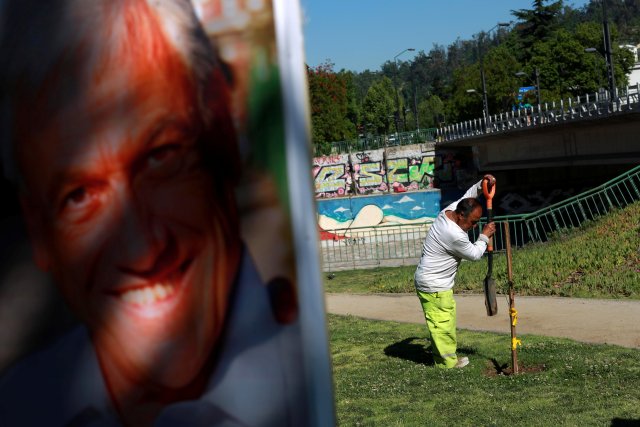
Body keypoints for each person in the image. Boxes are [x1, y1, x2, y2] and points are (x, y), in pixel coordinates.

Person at [0, 0, 304, 425]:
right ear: (37, 228)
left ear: (222, 129)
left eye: (161, 157)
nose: (142, 249)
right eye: (78, 195)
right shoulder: (19, 406)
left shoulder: (310, 377)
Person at [414, 175, 496, 369]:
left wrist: (482, 184)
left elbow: (468, 195)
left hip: (431, 281)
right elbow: (475, 254)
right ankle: (447, 364)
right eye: (473, 222)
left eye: (477, 222)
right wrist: (484, 236)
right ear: (461, 216)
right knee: (443, 325)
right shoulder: (454, 234)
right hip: (434, 284)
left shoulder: (450, 211)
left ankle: (444, 359)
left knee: (442, 324)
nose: (474, 226)